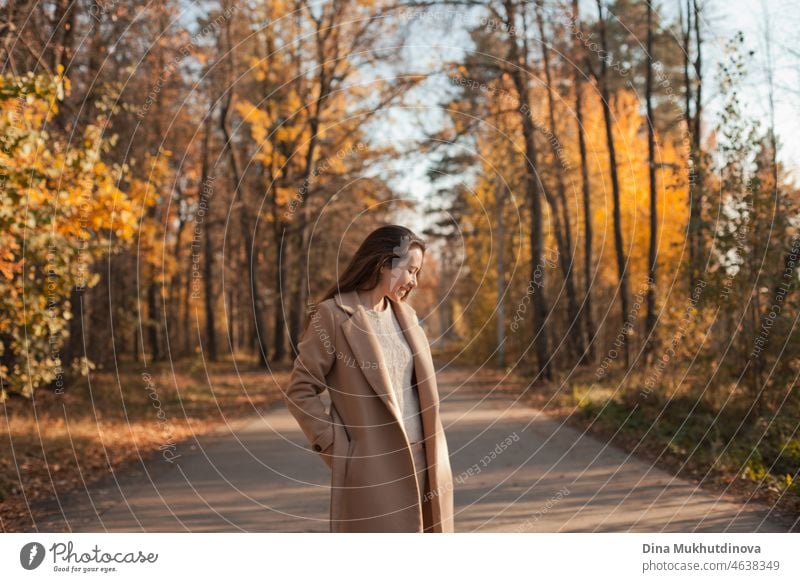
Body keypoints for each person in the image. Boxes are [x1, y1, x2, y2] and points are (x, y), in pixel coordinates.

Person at [282, 225, 455, 532]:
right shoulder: (333, 315)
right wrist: (340, 452)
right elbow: (300, 390)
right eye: (410, 271)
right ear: (383, 265)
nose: (415, 282)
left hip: (426, 462)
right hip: (373, 469)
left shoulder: (408, 317)